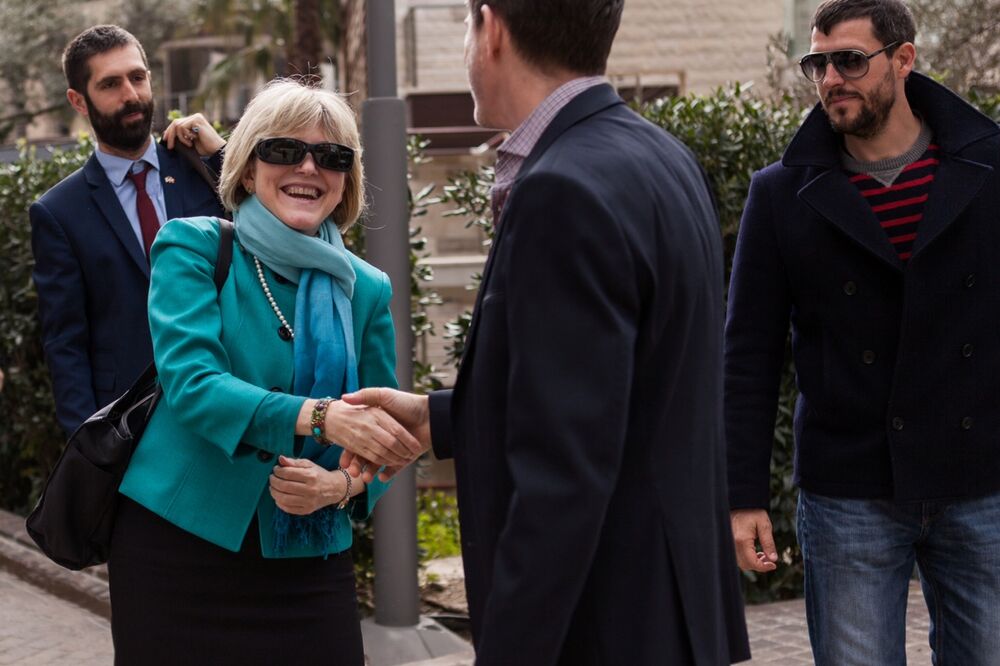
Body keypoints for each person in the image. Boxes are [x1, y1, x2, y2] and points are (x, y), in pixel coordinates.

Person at [340, 1, 751, 663]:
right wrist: (438, 419)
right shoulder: (660, 155)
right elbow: (631, 395)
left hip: (603, 626)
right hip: (669, 616)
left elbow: (565, 472)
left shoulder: (561, 188)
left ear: (491, 26)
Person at [107, 78, 422, 664]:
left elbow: (388, 439)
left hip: (309, 560)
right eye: (282, 150)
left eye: (331, 156)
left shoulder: (367, 290)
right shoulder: (192, 246)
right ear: (248, 169)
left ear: (345, 182)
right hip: (179, 550)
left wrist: (342, 486)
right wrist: (321, 418)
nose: (308, 166)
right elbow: (193, 385)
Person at [725, 1, 1000, 663]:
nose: (830, 79)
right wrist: (741, 497)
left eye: (849, 60)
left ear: (904, 59)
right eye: (817, 63)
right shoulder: (781, 192)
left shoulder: (989, 170)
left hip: (982, 478)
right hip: (849, 488)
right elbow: (748, 356)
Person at [30, 24, 227, 436]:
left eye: (137, 77)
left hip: (226, 402)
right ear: (78, 101)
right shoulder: (58, 213)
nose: (131, 95)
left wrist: (224, 155)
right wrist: (88, 449)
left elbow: (269, 233)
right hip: (130, 431)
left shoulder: (200, 173)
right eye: (110, 84)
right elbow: (65, 345)